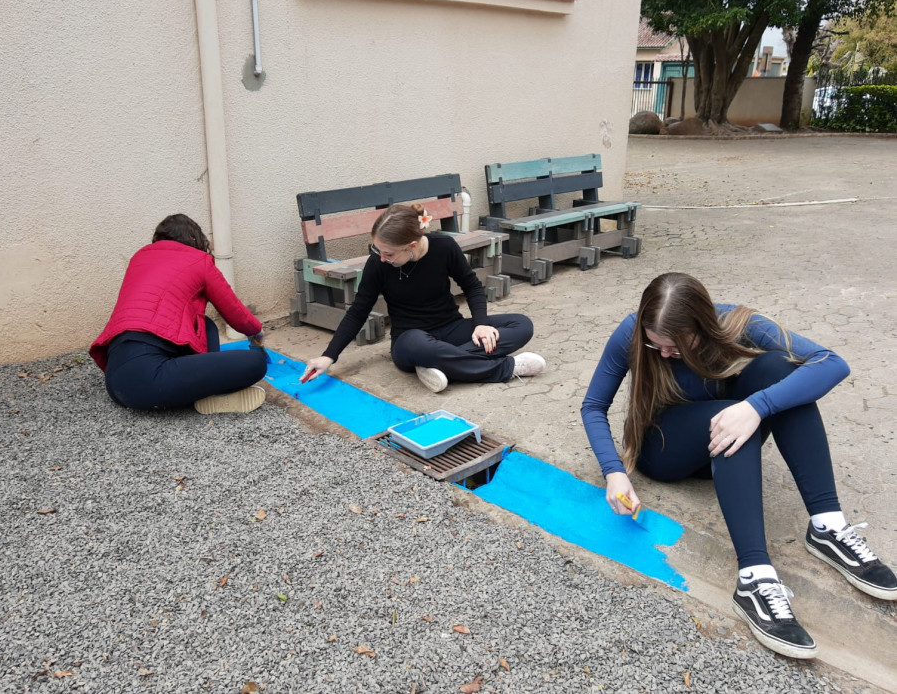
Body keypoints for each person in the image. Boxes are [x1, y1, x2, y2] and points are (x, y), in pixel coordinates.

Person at [581, 272, 896, 659]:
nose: (663, 354)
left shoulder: (740, 324)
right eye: (656, 344)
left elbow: (832, 363)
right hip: (665, 447)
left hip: (726, 431)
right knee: (734, 413)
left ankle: (827, 526)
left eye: (676, 347)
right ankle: (754, 578)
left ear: (704, 327)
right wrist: (614, 471)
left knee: (782, 369)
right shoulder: (630, 333)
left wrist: (756, 406)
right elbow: (593, 406)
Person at [302, 203, 545, 392]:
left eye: (388, 253)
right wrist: (329, 356)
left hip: (451, 328)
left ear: (412, 245)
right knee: (419, 346)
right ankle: (505, 368)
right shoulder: (377, 264)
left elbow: (471, 285)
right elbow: (358, 311)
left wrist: (481, 323)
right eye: (377, 250)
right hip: (410, 340)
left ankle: (444, 365)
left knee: (522, 324)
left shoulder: (444, 247)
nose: (381, 257)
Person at [90, 213, 269, 414]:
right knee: (255, 363)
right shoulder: (198, 260)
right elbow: (234, 311)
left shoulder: (140, 257)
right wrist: (256, 331)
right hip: (150, 382)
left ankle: (199, 388)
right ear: (195, 239)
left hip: (115, 382)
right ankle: (212, 392)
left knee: (206, 324)